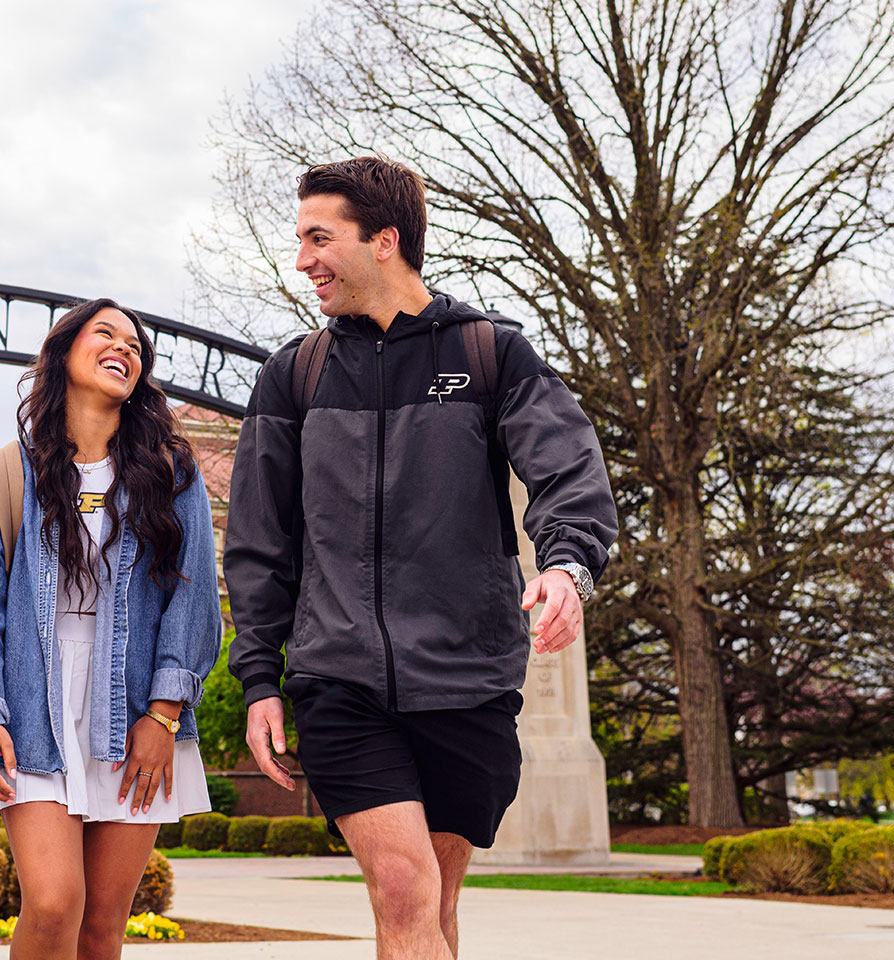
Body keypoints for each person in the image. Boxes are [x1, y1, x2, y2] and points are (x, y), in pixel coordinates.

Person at [223, 157, 619, 959]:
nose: (302, 260)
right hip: (341, 683)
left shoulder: (489, 354)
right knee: (403, 891)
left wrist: (567, 567)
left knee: (432, 909)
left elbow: (569, 471)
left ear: (385, 240)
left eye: (318, 238)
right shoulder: (292, 377)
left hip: (467, 681)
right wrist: (260, 676)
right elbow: (259, 543)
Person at [0, 298, 222, 960]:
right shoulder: (3, 476)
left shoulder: (172, 474)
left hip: (135, 708)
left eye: (136, 345)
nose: (124, 348)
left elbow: (194, 604)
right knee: (52, 903)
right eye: (107, 334)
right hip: (33, 706)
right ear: (65, 353)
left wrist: (162, 716)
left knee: (102, 925)